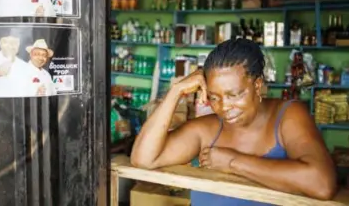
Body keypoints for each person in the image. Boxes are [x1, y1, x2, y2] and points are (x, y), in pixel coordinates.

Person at [131, 39, 337, 205]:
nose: (224, 107)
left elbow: (321, 183)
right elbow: (143, 159)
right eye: (214, 97)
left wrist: (232, 162)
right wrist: (176, 91)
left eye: (234, 94)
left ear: (258, 86)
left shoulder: (288, 116)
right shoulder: (207, 129)